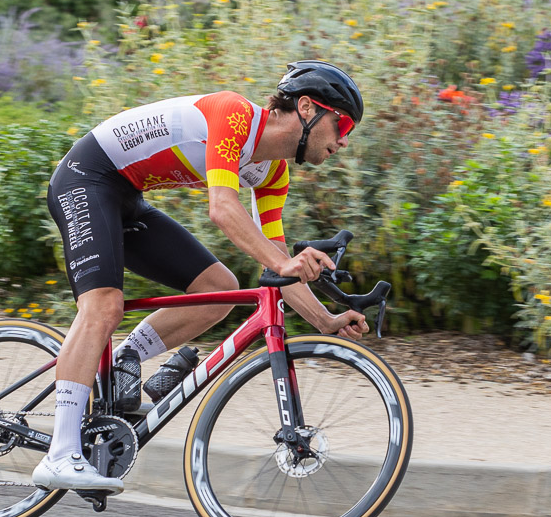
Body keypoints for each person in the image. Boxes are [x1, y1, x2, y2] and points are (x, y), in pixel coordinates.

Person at [32, 60, 370, 494]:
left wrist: (326, 320)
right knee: (103, 306)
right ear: (306, 108)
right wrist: (283, 263)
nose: (343, 142)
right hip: (86, 179)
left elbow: (276, 261)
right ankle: (60, 454)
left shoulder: (272, 172)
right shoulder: (234, 114)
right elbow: (222, 208)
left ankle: (125, 362)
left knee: (220, 291)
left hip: (127, 198)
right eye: (341, 125)